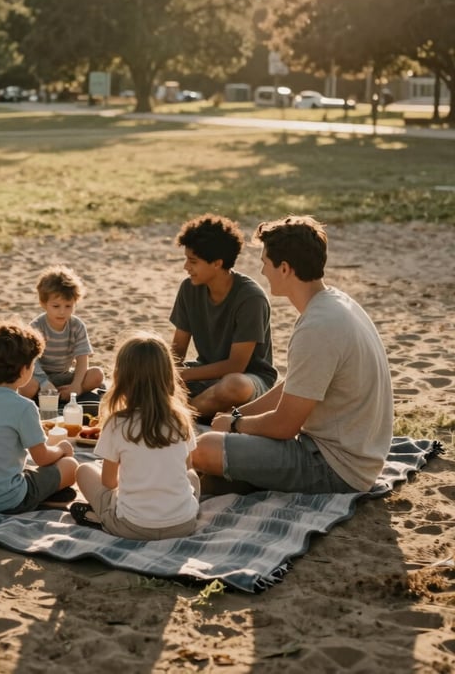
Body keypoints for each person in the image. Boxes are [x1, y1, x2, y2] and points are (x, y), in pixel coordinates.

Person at [191, 214, 394, 494]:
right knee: (218, 448)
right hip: (354, 456)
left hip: (335, 467)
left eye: (265, 263)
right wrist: (239, 414)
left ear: (284, 268)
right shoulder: (334, 303)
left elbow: (285, 426)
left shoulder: (317, 327)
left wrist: (236, 425)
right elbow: (297, 386)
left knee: (203, 449)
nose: (262, 272)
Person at [72, 331, 201, 539]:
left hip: (132, 526)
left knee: (84, 470)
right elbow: (186, 468)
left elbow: (109, 483)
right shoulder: (181, 419)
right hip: (183, 525)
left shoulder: (117, 423)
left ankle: (99, 517)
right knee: (193, 477)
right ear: (168, 377)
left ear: (120, 378)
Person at [0, 321, 79, 513]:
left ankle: (45, 492)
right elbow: (42, 458)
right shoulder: (24, 407)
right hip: (5, 499)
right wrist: (61, 449)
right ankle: (41, 496)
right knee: (70, 466)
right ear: (23, 371)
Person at [169, 214, 277, 419]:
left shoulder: (251, 298)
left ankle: (177, 415)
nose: (186, 267)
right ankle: (196, 411)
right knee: (142, 370)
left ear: (217, 263)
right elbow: (177, 352)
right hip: (205, 374)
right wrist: (163, 375)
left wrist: (181, 375)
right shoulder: (189, 289)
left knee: (233, 386)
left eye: (193, 261)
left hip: (249, 380)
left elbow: (236, 365)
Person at [21, 264, 104, 401]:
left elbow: (82, 359)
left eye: (68, 306)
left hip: (64, 376)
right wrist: (44, 383)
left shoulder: (77, 326)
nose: (62, 311)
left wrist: (77, 385)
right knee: (26, 386)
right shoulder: (36, 327)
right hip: (39, 377)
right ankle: (44, 399)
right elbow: (31, 361)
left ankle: (69, 394)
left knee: (97, 375)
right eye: (56, 306)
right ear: (43, 303)